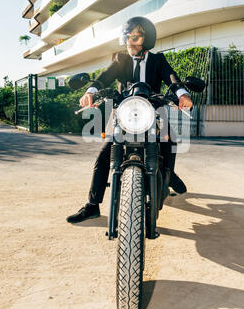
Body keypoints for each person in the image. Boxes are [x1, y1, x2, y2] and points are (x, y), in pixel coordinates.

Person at [67, 17, 193, 223]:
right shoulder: (121, 60)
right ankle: (92, 205)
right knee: (104, 154)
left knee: (169, 142)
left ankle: (168, 175)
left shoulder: (158, 60)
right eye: (128, 36)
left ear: (147, 38)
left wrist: (182, 94)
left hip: (153, 110)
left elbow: (172, 78)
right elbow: (104, 77)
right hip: (124, 113)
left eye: (136, 36)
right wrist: (91, 91)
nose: (130, 41)